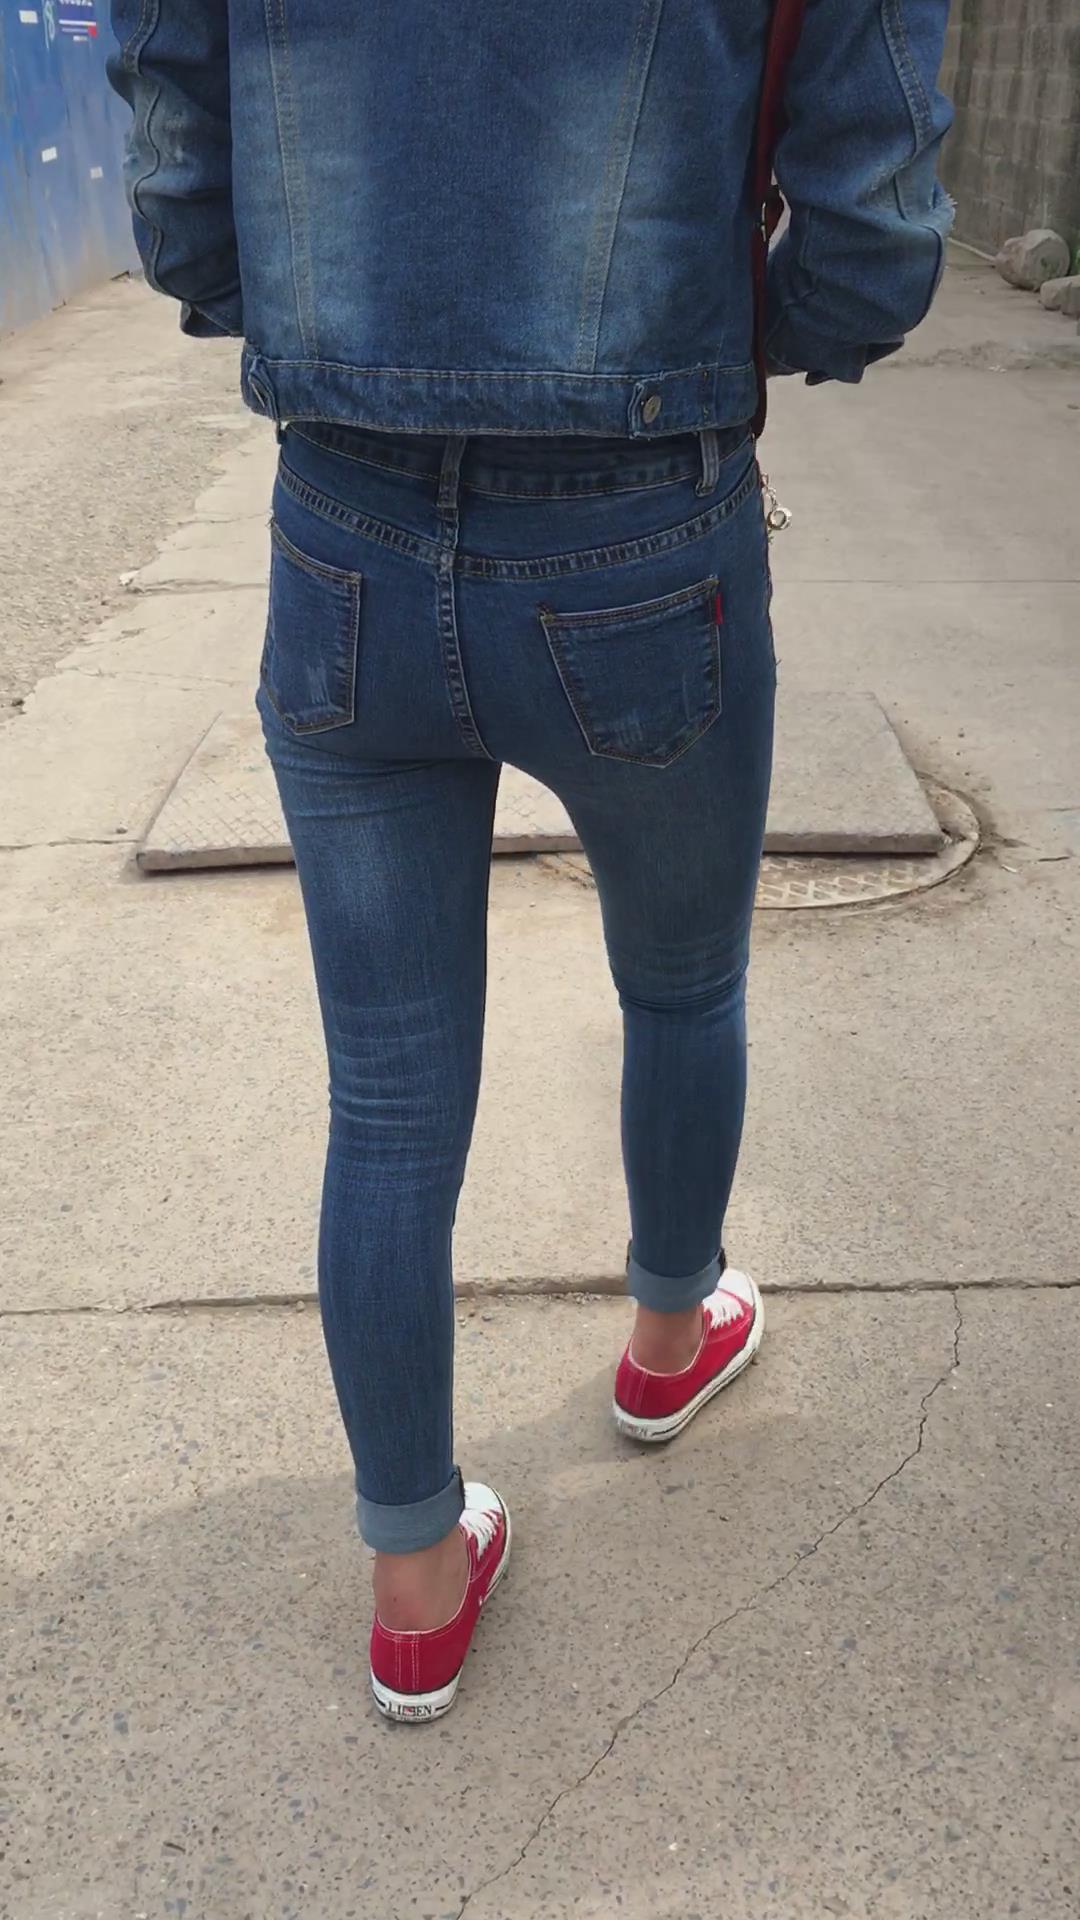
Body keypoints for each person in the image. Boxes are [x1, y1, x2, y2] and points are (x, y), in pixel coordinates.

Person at [109, 0, 952, 1722]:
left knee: (388, 1099)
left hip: (342, 525)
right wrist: (714, 337)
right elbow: (872, 231)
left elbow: (184, 165)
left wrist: (321, 327)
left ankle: (414, 1579)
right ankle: (666, 1344)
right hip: (642, 515)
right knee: (683, 982)